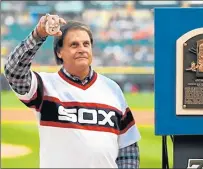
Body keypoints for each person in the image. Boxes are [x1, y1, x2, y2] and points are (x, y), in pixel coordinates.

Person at [4, 14, 141, 168]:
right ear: (59, 52)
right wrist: (38, 35)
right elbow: (13, 72)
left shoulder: (112, 89)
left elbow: (128, 148)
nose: (82, 49)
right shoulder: (46, 85)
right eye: (74, 45)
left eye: (86, 44)